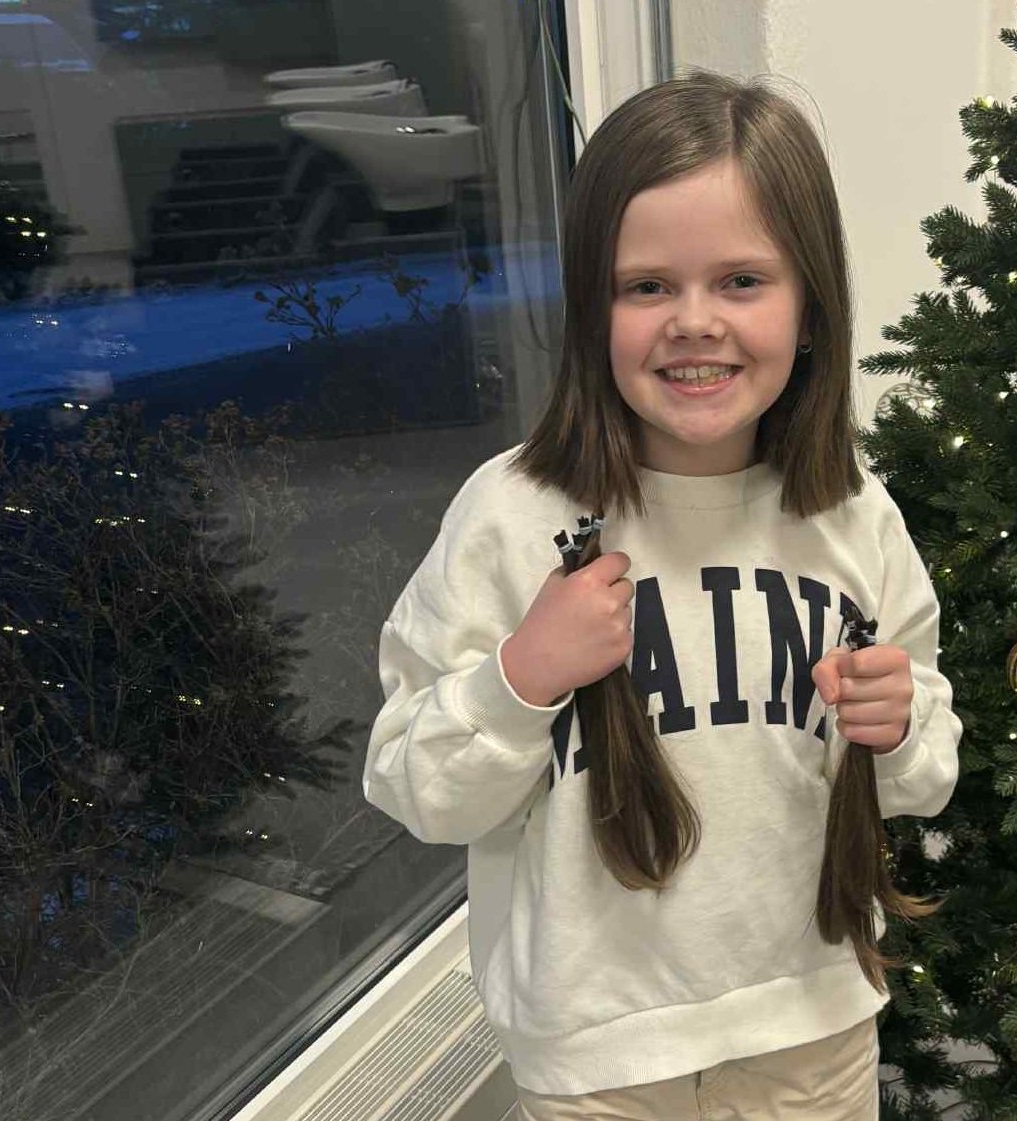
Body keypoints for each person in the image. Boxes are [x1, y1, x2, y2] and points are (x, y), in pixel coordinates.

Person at [365, 69, 963, 1120]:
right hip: (598, 1054)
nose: (694, 322)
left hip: (813, 1022)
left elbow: (924, 774)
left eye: (741, 280)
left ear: (811, 307)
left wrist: (901, 724)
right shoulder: (511, 516)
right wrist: (522, 676)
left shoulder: (853, 515)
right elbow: (415, 786)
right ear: (591, 310)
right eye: (646, 286)